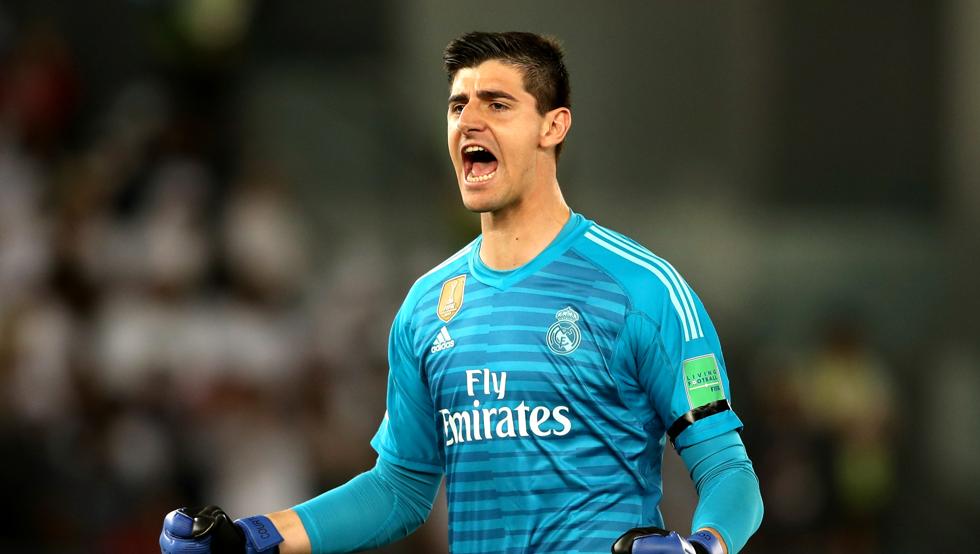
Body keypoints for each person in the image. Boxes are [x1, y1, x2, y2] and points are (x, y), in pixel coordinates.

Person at [160, 31, 764, 554]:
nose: (469, 122)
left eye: (497, 104)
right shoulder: (426, 306)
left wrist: (700, 546)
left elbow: (729, 471)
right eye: (458, 106)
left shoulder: (644, 289)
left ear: (553, 126)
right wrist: (254, 536)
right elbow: (397, 490)